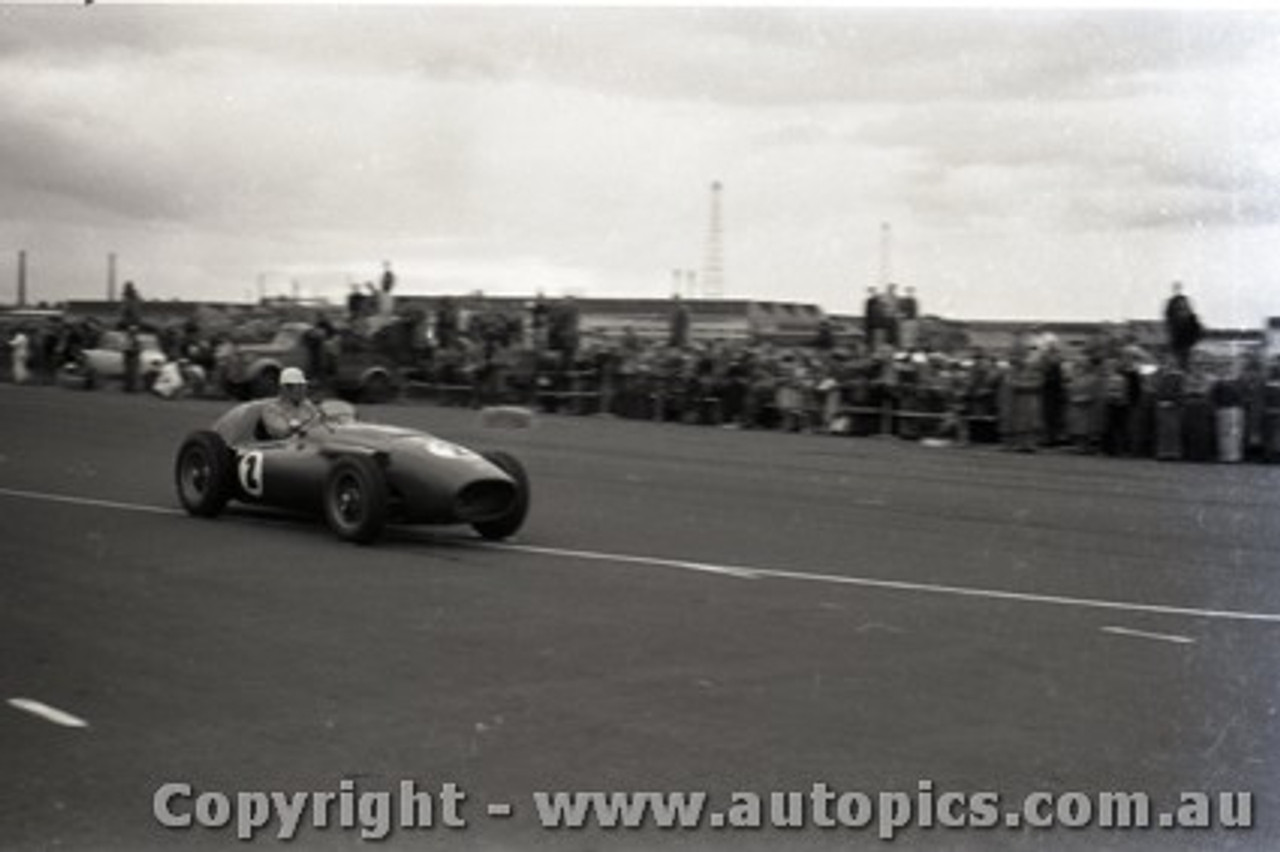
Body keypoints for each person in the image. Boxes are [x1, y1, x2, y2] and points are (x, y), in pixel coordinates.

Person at [260, 367, 321, 439]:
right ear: (285, 389)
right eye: (299, 387)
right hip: (283, 447)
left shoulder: (306, 404)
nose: (303, 391)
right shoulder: (271, 409)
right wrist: (309, 425)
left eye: (303, 386)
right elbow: (283, 431)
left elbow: (320, 421)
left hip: (310, 443)